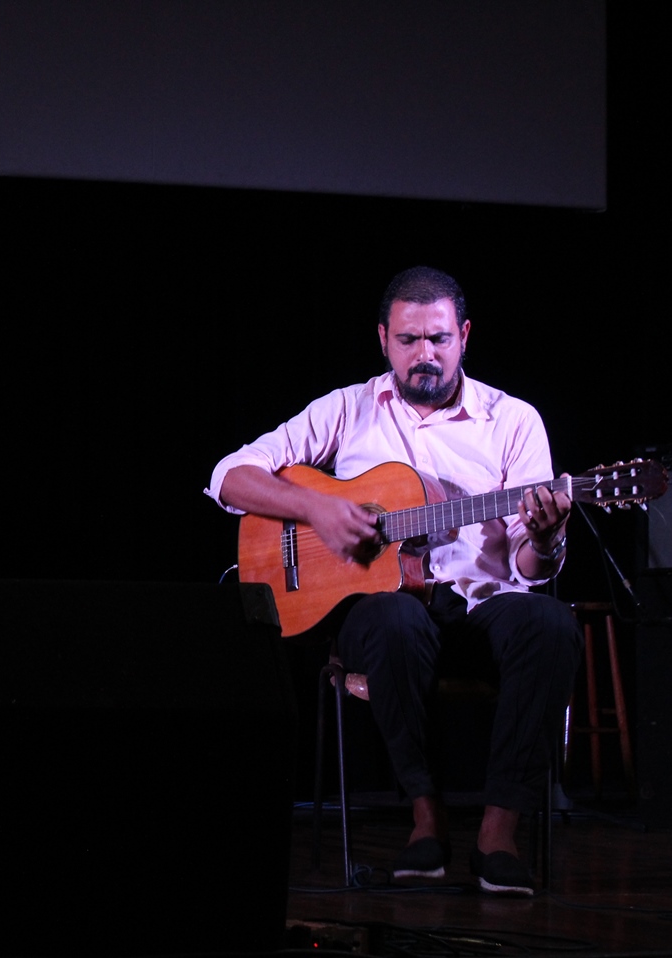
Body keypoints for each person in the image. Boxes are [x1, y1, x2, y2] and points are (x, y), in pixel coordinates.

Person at [208, 266, 581, 896]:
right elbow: (229, 475)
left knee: (552, 624)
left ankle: (499, 833)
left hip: (485, 610)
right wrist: (319, 508)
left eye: (439, 338)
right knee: (392, 619)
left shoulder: (513, 421)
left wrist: (545, 538)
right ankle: (425, 819)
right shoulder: (347, 409)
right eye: (408, 340)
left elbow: (528, 567)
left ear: (464, 336)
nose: (424, 354)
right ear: (384, 339)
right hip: (390, 617)